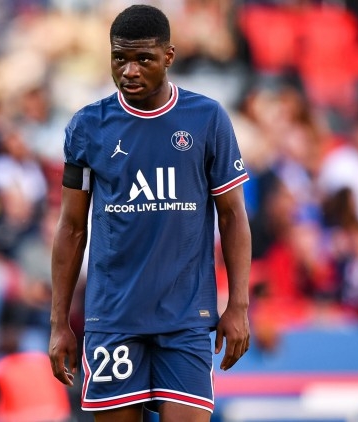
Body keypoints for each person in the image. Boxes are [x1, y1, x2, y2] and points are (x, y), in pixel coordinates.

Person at [48, 5, 252, 422]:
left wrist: (239, 305)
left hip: (186, 320)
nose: (129, 71)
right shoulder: (87, 127)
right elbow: (71, 228)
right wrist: (59, 322)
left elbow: (232, 216)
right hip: (113, 320)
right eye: (119, 58)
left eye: (144, 59)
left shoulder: (207, 118)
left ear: (169, 56)